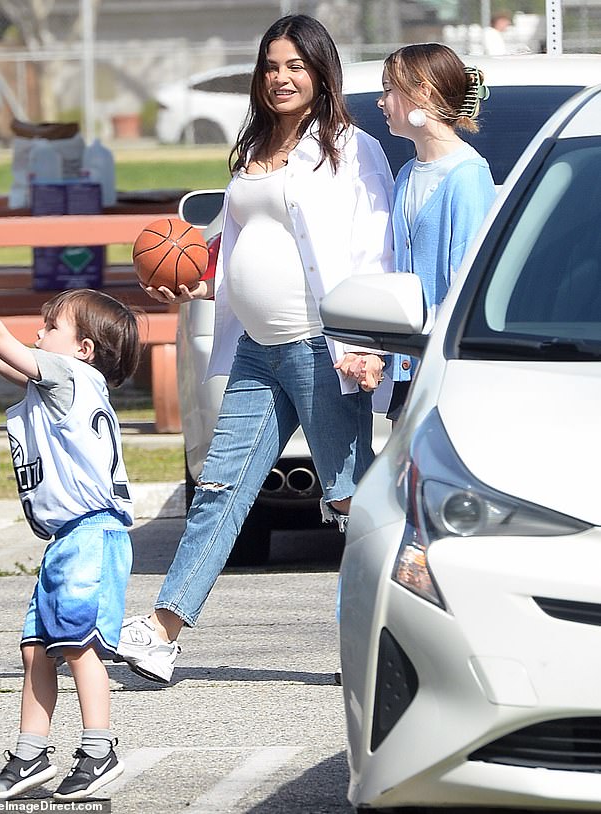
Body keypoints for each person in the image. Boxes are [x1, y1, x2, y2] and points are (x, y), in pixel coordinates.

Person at [116, 13, 394, 684]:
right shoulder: (251, 149)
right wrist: (197, 282)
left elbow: (374, 246)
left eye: (295, 65)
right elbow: (239, 247)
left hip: (323, 349)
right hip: (257, 351)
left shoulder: (352, 149)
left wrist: (367, 342)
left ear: (321, 72)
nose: (281, 77)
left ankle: (383, 645)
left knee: (351, 503)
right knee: (219, 491)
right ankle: (161, 632)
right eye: (271, 66)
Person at [0, 289, 141, 800]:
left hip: (91, 533)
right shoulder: (58, 384)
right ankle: (30, 753)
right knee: (35, 649)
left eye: (50, 327)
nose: (38, 334)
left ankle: (98, 750)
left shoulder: (70, 378)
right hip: (70, 538)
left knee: (77, 645)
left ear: (83, 349)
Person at [376, 43, 496, 419]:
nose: (382, 102)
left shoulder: (468, 176)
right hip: (408, 365)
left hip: (445, 371)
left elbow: (467, 281)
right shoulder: (406, 174)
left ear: (423, 92)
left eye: (388, 89)